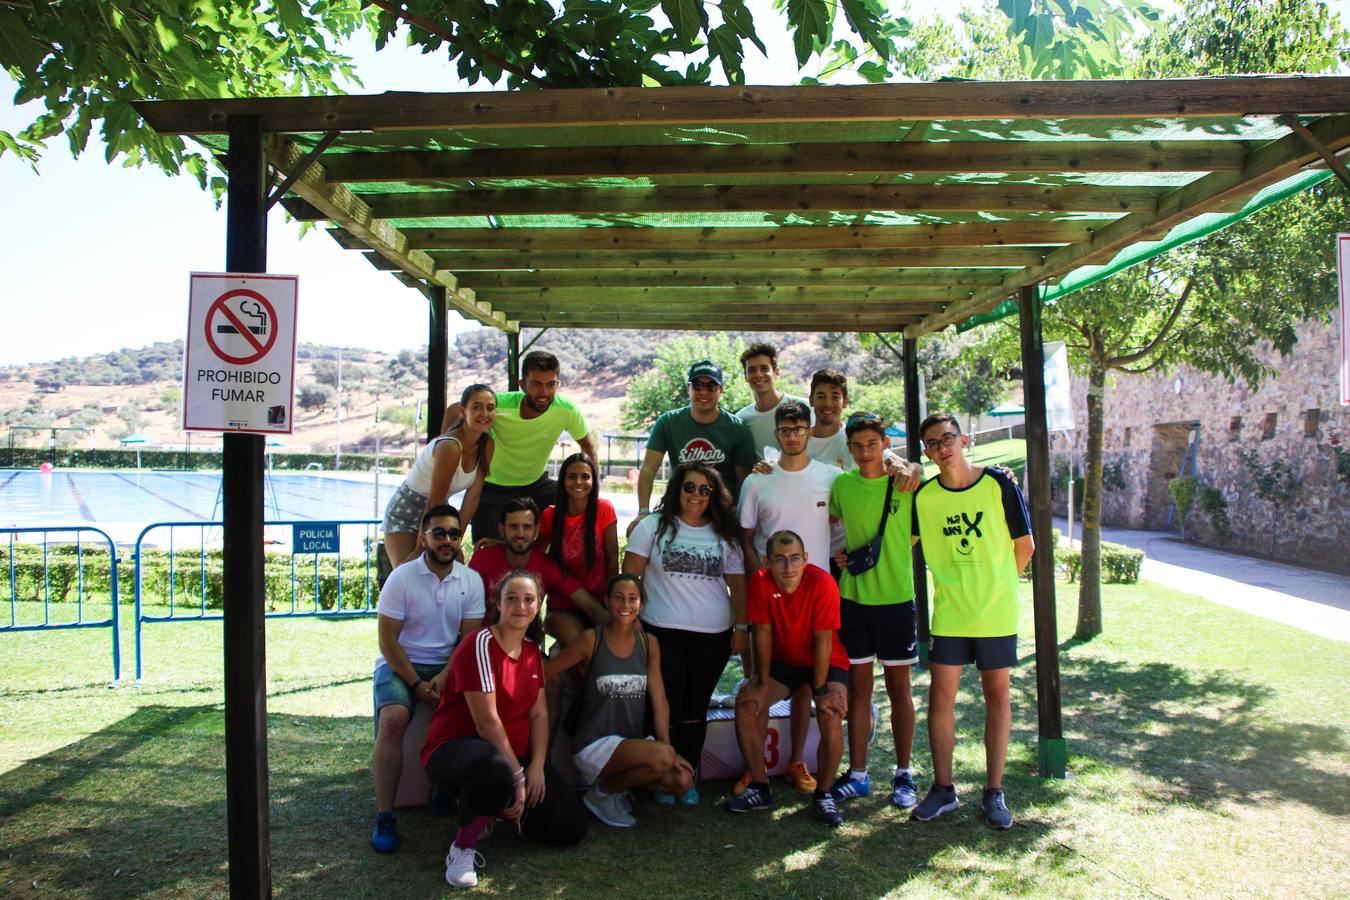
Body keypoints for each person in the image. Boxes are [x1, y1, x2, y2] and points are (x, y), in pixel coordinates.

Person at [423, 571, 588, 888]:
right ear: (497, 604)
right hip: (456, 751)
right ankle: (463, 847)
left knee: (570, 828)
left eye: (529, 599)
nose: (520, 606)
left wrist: (537, 766)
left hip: (513, 758)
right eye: (511, 598)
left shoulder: (531, 652)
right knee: (495, 769)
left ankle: (495, 808)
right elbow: (487, 723)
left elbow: (539, 715)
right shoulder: (479, 644)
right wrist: (518, 775)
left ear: (538, 605)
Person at [910, 413, 1034, 830]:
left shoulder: (999, 484)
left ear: (963, 439)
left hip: (995, 613)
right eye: (932, 443)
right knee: (940, 698)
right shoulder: (924, 497)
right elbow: (902, 539)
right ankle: (943, 789)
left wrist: (996, 585)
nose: (941, 448)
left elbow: (1026, 545)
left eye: (947, 439)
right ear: (925, 452)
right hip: (949, 615)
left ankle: (994, 792)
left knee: (997, 697)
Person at [623, 461, 747, 806]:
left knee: (694, 707)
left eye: (704, 489)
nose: (696, 495)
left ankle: (688, 774)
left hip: (713, 636)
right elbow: (630, 574)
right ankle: (662, 773)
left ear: (713, 495)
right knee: (665, 704)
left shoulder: (725, 535)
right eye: (689, 487)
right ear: (677, 489)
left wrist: (741, 627)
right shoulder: (652, 527)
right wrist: (631, 622)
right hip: (660, 631)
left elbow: (737, 585)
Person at [735, 399, 841, 796]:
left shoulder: (830, 476)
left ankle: (797, 761)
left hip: (815, 597)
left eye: (799, 429)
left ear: (810, 432)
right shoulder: (758, 480)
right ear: (776, 434)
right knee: (762, 677)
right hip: (770, 598)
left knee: (805, 686)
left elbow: (850, 512)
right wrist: (757, 577)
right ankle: (755, 768)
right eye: (785, 430)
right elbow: (745, 536)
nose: (793, 436)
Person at [370, 504, 485, 854]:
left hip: (448, 666)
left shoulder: (471, 580)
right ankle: (385, 815)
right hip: (400, 664)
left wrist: (444, 676)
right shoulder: (401, 577)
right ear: (424, 537)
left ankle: (444, 789)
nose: (447, 540)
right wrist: (418, 684)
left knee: (470, 718)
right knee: (393, 720)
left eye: (454, 533)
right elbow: (388, 641)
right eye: (439, 533)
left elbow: (467, 641)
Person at [545, 573, 695, 828]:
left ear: (641, 605)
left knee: (682, 781)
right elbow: (547, 672)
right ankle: (601, 795)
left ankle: (612, 788)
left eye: (632, 599)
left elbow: (658, 697)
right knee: (663, 758)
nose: (625, 606)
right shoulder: (592, 639)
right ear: (606, 601)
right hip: (593, 744)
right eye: (618, 598)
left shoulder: (649, 644)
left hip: (629, 744)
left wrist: (669, 749)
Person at [827, 411, 922, 811]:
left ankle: (903, 774)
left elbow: (916, 531)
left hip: (897, 600)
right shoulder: (843, 485)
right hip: (854, 600)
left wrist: (912, 464)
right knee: (860, 691)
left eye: (872, 444)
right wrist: (839, 552)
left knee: (900, 690)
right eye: (858, 445)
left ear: (885, 443)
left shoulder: (907, 483)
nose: (865, 452)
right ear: (848, 448)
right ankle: (860, 774)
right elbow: (833, 524)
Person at [725, 531, 851, 825]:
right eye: (780, 560)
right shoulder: (760, 580)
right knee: (747, 704)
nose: (788, 567)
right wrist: (759, 680)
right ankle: (759, 786)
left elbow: (824, 641)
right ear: (768, 562)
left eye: (795, 558)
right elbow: (764, 633)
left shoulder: (822, 582)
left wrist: (821, 690)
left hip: (825, 660)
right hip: (784, 662)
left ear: (805, 559)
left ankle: (824, 795)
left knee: (831, 714)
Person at [444, 350, 597, 542]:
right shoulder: (499, 404)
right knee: (487, 553)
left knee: (573, 500)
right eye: (536, 384)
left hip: (536, 484)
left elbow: (588, 447)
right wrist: (440, 453)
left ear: (558, 384)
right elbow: (454, 410)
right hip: (493, 486)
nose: (544, 393)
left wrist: (593, 494)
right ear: (522, 384)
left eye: (551, 385)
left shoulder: (566, 410)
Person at [631, 359, 754, 536]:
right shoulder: (668, 423)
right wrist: (643, 511)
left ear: (721, 390)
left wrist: (739, 519)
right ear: (688, 388)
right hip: (680, 510)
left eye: (711, 386)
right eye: (697, 385)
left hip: (721, 516)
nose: (703, 391)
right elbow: (648, 469)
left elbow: (745, 482)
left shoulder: (737, 428)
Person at [383, 384, 495, 568]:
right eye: (477, 407)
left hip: (438, 512)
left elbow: (472, 498)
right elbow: (434, 500)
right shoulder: (450, 447)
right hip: (407, 511)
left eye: (490, 408)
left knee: (449, 570)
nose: (484, 413)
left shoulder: (487, 444)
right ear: (463, 410)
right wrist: (420, 548)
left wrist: (456, 536)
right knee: (408, 573)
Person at [468, 497, 606, 630]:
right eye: (513, 527)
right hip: (486, 641)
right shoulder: (482, 559)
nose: (520, 534)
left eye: (527, 527)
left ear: (536, 530)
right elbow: (466, 610)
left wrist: (618, 637)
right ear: (501, 529)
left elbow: (590, 605)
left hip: (527, 643)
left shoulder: (546, 566)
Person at [536, 453, 619, 646]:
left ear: (593, 480)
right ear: (563, 480)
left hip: (599, 603)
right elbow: (534, 556)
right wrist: (501, 545)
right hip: (562, 605)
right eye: (572, 476)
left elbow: (612, 558)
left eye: (585, 476)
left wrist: (611, 600)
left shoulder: (604, 509)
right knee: (579, 643)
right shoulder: (551, 515)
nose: (579, 482)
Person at [734, 343, 811, 460]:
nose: (758, 375)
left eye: (764, 369)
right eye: (752, 370)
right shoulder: (742, 419)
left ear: (776, 373)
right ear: (745, 376)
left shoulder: (805, 408)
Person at [805, 369, 851, 470]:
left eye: (835, 397)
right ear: (811, 400)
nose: (828, 404)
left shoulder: (854, 440)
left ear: (845, 402)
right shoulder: (798, 440)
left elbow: (892, 462)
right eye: (821, 397)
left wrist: (894, 465)